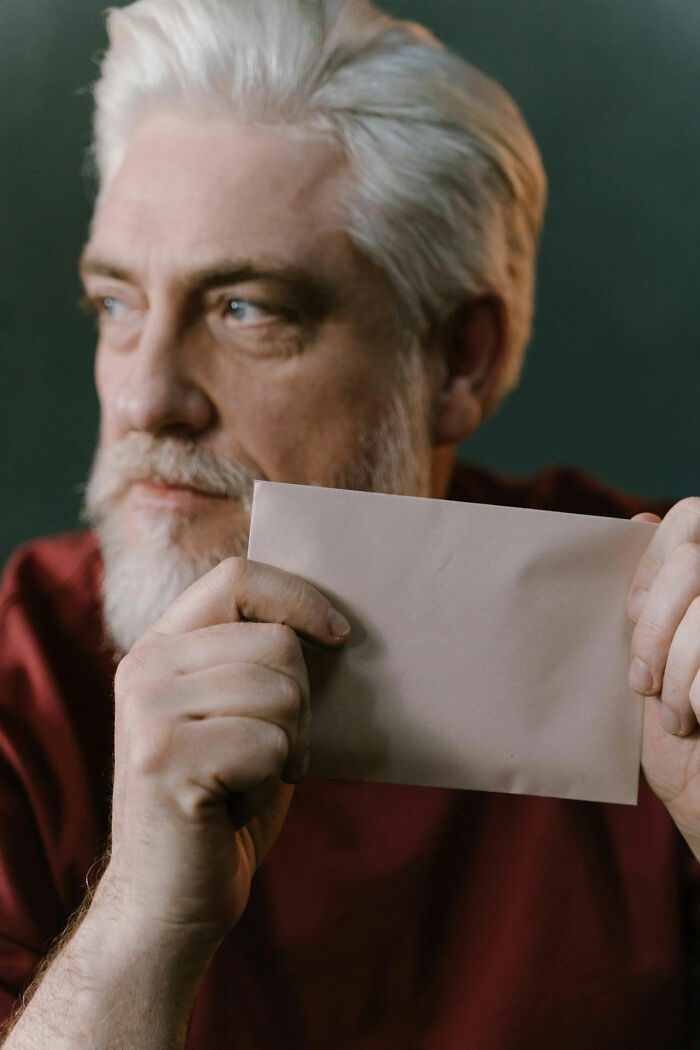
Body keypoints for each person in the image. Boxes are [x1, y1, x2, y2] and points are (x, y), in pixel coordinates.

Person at [1, 0, 699, 1046]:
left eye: (245, 308)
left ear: (458, 361)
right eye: (117, 304)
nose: (145, 398)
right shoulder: (23, 673)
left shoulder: (653, 657)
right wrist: (140, 925)